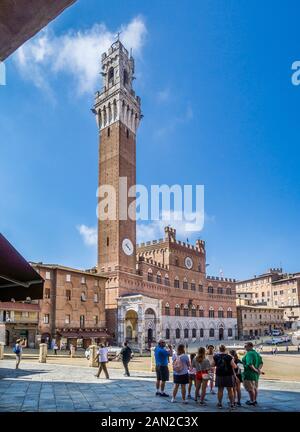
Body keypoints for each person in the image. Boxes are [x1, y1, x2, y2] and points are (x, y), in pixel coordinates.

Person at [212, 344, 236, 409]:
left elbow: (212, 365)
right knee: (230, 390)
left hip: (219, 375)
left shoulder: (216, 356)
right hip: (228, 375)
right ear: (225, 349)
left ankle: (220, 404)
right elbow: (234, 366)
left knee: (220, 390)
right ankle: (231, 404)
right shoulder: (229, 356)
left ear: (219, 349)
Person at [242, 342, 263, 406]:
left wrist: (256, 370)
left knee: (250, 389)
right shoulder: (256, 353)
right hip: (255, 375)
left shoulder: (249, 353)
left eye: (245, 346)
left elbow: (250, 364)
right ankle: (254, 400)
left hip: (249, 374)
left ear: (250, 346)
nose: (244, 347)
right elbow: (261, 363)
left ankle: (252, 401)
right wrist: (258, 370)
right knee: (255, 388)